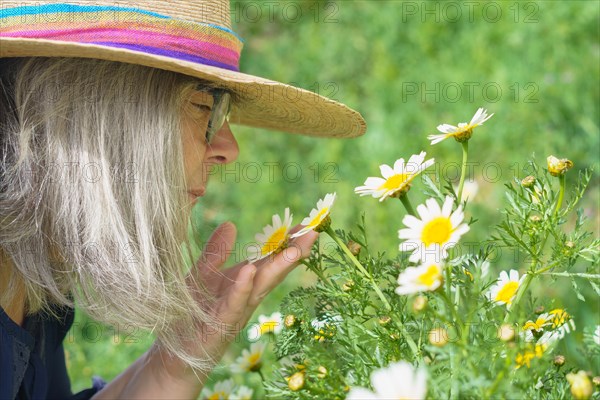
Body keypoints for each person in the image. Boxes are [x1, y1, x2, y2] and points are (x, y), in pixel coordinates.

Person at [0, 1, 366, 398]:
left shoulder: (35, 277)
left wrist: (171, 369)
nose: (229, 149)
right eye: (203, 105)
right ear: (90, 111)